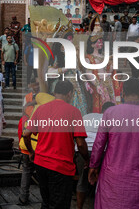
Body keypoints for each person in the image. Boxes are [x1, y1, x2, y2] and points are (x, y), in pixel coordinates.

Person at [88, 78, 139, 209]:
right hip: (138, 181)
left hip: (111, 177)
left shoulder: (110, 113)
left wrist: (93, 166)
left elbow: (99, 144)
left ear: (123, 93)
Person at [23, 80, 89, 209]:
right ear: (70, 93)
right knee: (59, 205)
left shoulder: (40, 109)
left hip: (41, 164)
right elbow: (80, 144)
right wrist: (87, 159)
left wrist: (31, 152)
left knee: (46, 202)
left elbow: (26, 134)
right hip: (61, 167)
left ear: (54, 92)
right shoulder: (74, 111)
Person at [76, 102, 115, 209]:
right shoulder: (111, 120)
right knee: (102, 181)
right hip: (101, 152)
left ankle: (79, 207)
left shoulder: (87, 116)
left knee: (82, 181)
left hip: (81, 151)